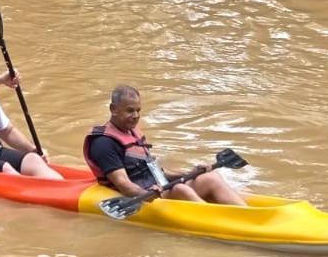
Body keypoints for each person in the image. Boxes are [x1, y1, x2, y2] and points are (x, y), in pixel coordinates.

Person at [83, 86, 246, 206]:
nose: (136, 116)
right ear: (113, 109)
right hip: (145, 195)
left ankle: (246, 214)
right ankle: (221, 221)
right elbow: (124, 185)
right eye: (130, 111)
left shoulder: (131, 132)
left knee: (210, 177)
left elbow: (156, 171)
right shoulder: (103, 143)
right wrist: (147, 194)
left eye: (138, 110)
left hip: (161, 187)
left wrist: (191, 173)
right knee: (181, 190)